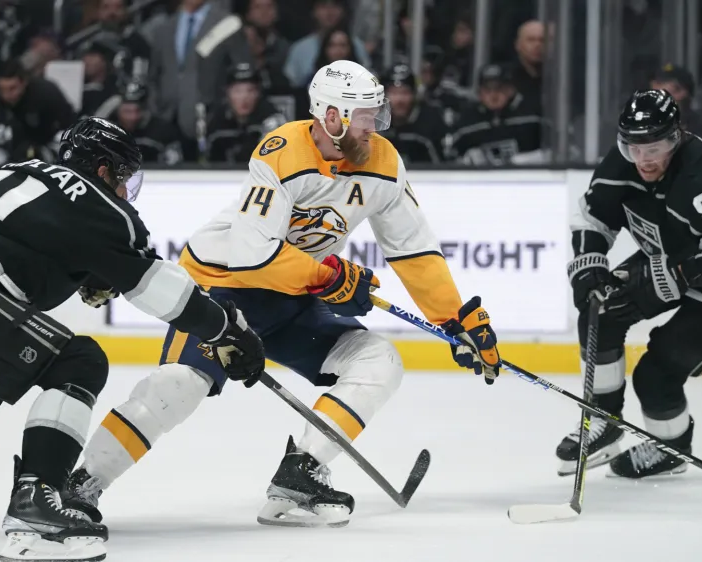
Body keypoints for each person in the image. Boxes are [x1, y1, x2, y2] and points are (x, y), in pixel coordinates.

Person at [63, 60, 504, 528]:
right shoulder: (281, 152)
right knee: (179, 387)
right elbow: (255, 254)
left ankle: (301, 474)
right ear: (331, 116)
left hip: (292, 299)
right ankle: (78, 487)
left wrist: (454, 319)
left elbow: (413, 250)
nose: (374, 129)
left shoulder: (383, 162)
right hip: (223, 292)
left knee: (378, 361)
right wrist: (330, 279)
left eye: (377, 116)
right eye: (364, 117)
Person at [0, 117, 265, 561]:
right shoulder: (100, 205)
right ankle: (36, 503)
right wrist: (225, 328)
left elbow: (14, 239)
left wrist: (80, 269)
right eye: (124, 176)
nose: (126, 189)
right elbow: (158, 288)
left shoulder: (21, 170)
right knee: (78, 362)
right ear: (102, 169)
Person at [557, 89, 702, 479]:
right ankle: (602, 421)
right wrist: (590, 267)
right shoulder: (622, 164)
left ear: (678, 136)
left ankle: (672, 449)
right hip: (672, 250)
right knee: (599, 309)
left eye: (658, 145)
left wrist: (676, 277)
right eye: (635, 147)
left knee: (656, 374)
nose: (645, 159)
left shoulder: (700, 173)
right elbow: (592, 218)